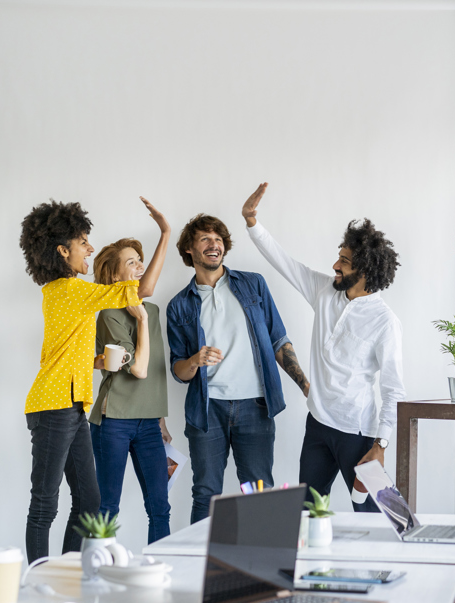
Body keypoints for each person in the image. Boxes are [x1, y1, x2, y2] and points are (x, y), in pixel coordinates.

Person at [241, 182, 405, 512]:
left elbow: (393, 390)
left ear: (366, 270)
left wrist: (381, 444)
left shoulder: (384, 321)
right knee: (308, 512)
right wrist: (252, 223)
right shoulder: (324, 291)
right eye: (338, 257)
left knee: (383, 516)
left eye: (344, 261)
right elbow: (283, 262)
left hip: (358, 433)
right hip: (318, 425)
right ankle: (315, 566)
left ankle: (397, 562)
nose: (335, 265)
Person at [20, 197, 167, 563]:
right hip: (53, 406)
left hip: (73, 406)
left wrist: (99, 360)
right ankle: (39, 575)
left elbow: (69, 348)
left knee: (90, 502)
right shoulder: (69, 290)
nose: (89, 247)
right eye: (82, 241)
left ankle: (67, 570)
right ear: (62, 250)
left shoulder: (67, 295)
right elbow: (142, 290)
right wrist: (166, 232)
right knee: (45, 502)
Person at [167, 213, 309, 524]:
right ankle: (199, 568)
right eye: (205, 238)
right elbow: (178, 372)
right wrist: (195, 360)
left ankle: (264, 566)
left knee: (259, 491)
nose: (214, 244)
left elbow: (278, 340)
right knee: (206, 493)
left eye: (218, 239)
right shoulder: (179, 305)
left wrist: (306, 386)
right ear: (189, 249)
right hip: (208, 412)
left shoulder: (253, 284)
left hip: (255, 406)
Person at [89, 202, 172, 544]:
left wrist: (161, 419)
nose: (140, 266)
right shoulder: (109, 314)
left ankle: (160, 570)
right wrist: (140, 321)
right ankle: (96, 572)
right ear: (114, 275)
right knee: (107, 508)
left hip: (149, 422)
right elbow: (138, 369)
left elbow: (155, 371)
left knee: (160, 506)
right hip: (115, 420)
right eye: (131, 262)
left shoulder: (149, 308)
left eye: (140, 260)